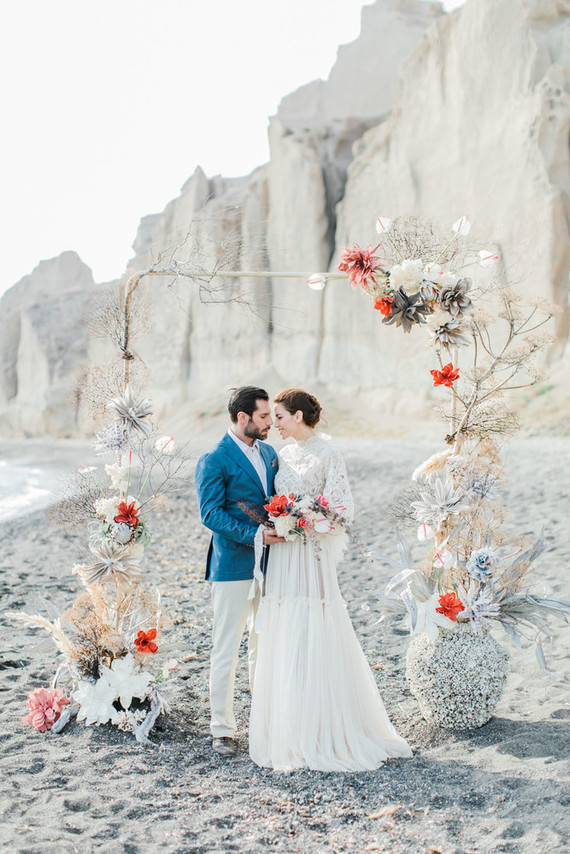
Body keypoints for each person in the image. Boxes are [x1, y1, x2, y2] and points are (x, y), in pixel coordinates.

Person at [249, 388, 412, 771]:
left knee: (316, 622)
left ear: (299, 416)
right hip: (284, 554)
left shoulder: (329, 454)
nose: (275, 424)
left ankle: (325, 725)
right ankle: (288, 724)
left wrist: (304, 518)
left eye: (280, 417)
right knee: (286, 625)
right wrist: (283, 519)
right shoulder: (281, 455)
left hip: (311, 553)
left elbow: (343, 511)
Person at [195, 386, 283, 758]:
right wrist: (255, 535)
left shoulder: (270, 454)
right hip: (232, 564)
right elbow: (210, 514)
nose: (270, 423)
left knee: (264, 644)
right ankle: (222, 730)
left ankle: (263, 722)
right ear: (242, 417)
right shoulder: (214, 459)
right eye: (263, 417)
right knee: (226, 648)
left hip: (271, 563)